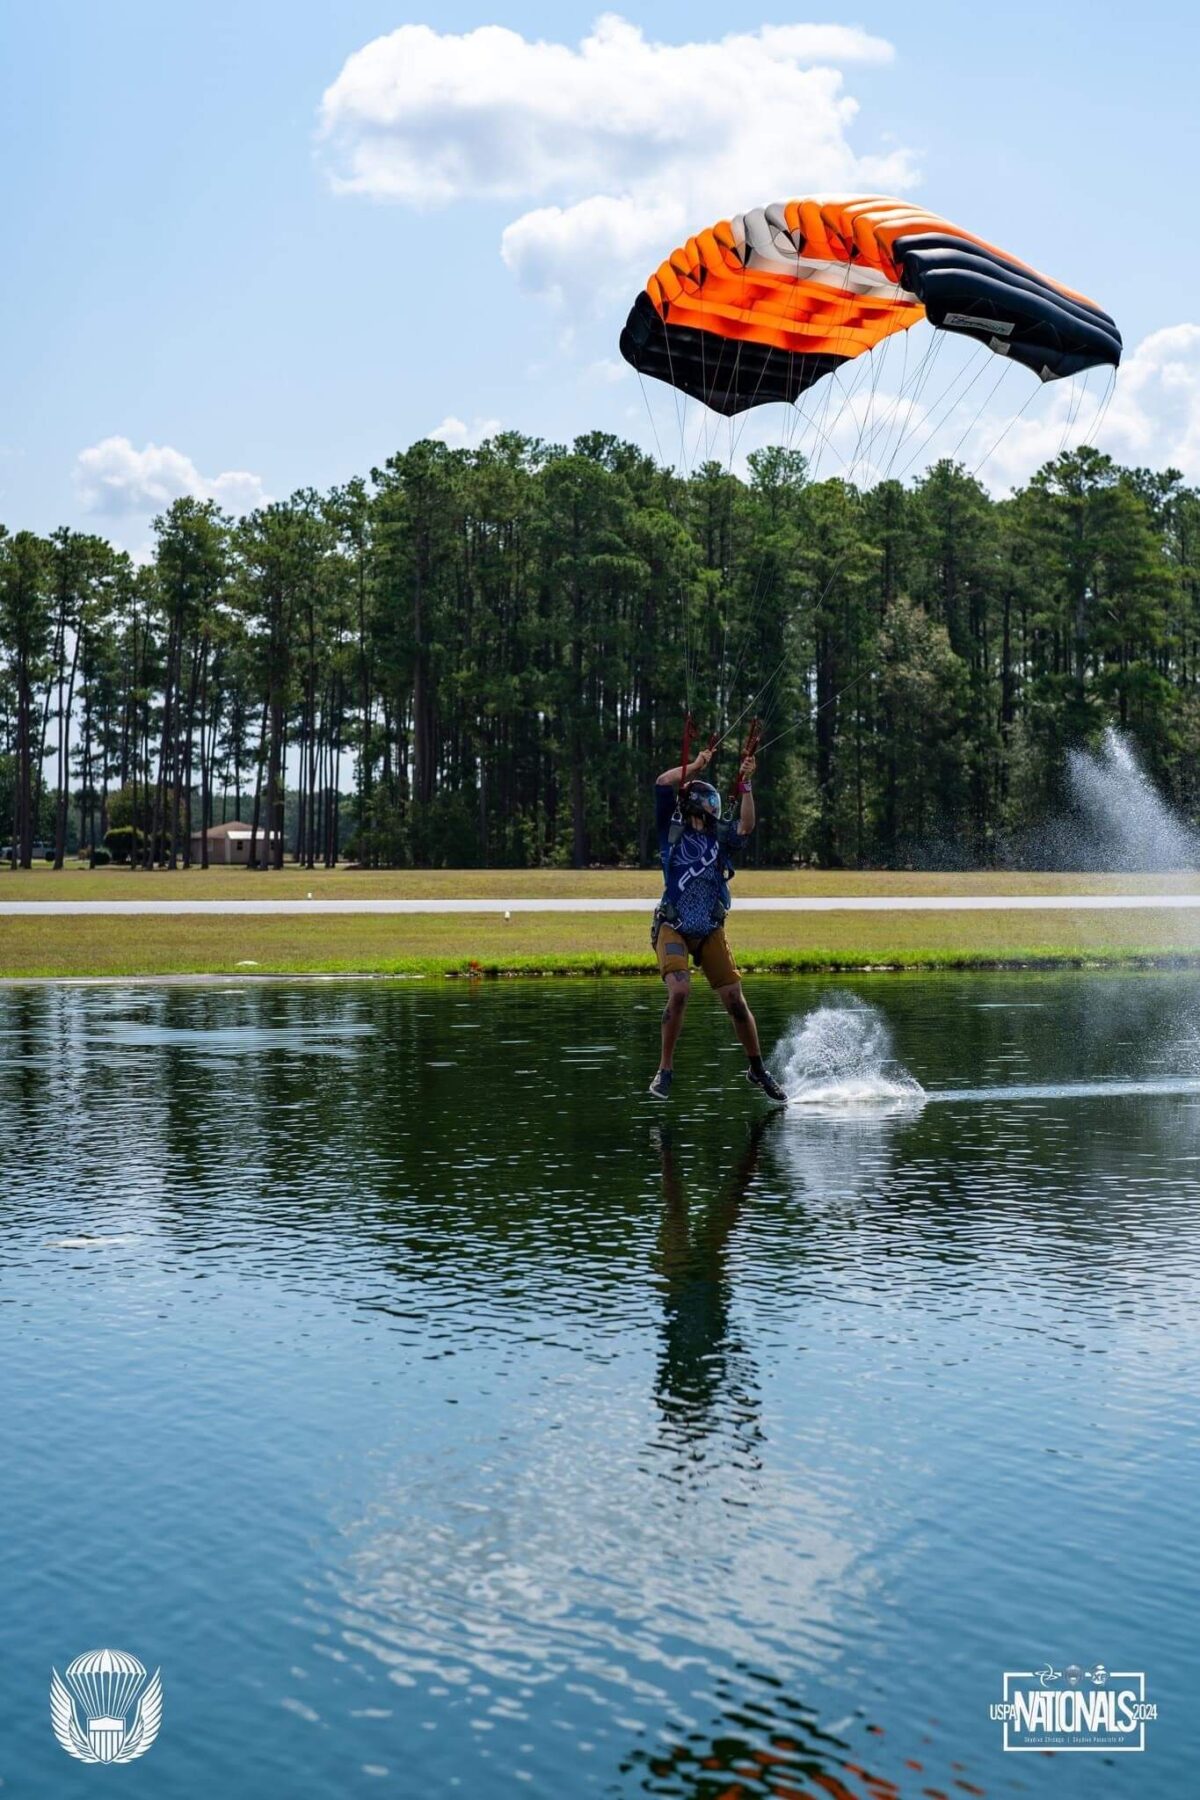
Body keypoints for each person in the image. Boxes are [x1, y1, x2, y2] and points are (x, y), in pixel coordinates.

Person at [648, 744, 787, 1102]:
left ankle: (757, 1069)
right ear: (697, 801)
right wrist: (695, 765)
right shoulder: (671, 828)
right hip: (673, 925)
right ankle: (665, 1069)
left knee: (735, 1001)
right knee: (679, 993)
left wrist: (747, 785)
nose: (714, 808)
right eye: (710, 802)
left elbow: (747, 825)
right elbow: (664, 782)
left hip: (710, 928)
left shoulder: (719, 836)